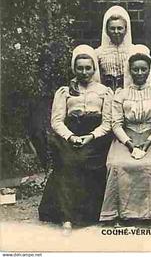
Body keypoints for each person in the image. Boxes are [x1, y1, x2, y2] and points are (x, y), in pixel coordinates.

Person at [38, 45, 113, 233]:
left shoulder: (104, 91)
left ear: (94, 68)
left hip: (95, 137)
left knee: (88, 161)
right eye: (80, 68)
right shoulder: (65, 91)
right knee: (68, 162)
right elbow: (56, 121)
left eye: (88, 68)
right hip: (70, 134)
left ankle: (89, 214)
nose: (84, 72)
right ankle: (67, 218)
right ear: (74, 68)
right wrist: (70, 136)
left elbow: (108, 122)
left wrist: (91, 136)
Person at [99, 45, 151, 228]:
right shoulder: (121, 94)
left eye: (143, 69)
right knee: (116, 164)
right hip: (125, 137)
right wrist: (128, 143)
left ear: (148, 70)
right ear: (130, 70)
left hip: (150, 136)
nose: (139, 73)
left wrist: (148, 142)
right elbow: (116, 124)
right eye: (135, 69)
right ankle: (118, 214)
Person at [96, 5, 133, 91]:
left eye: (119, 28)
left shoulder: (133, 51)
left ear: (126, 29)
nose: (116, 32)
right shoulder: (98, 53)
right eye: (112, 28)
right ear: (107, 30)